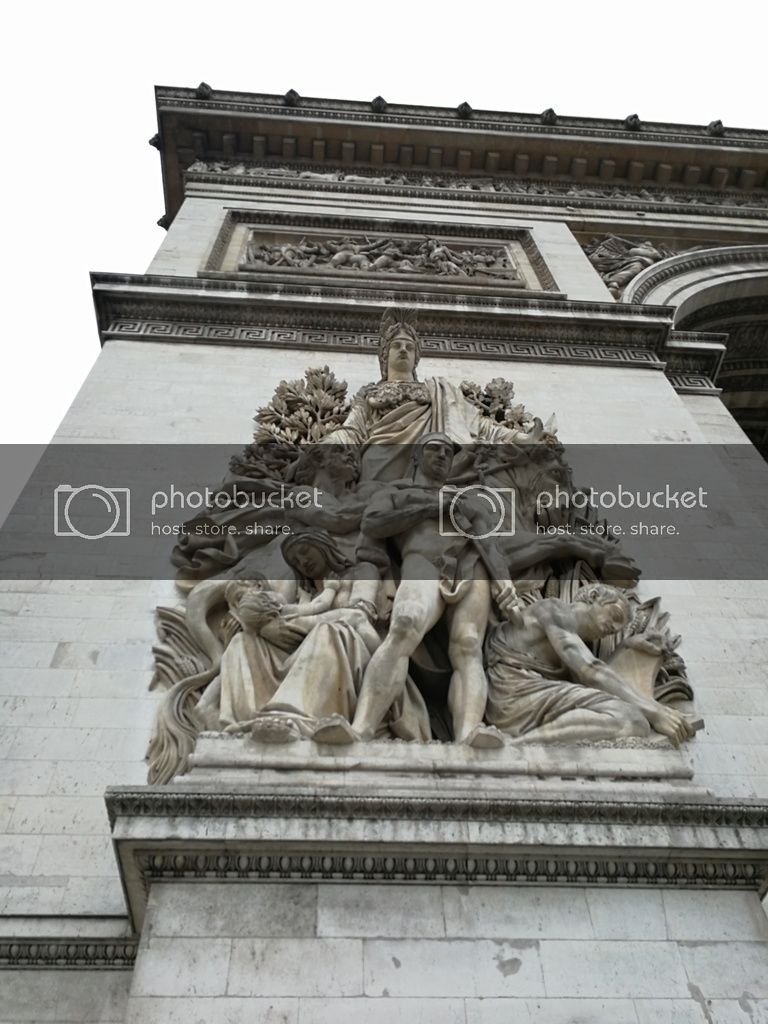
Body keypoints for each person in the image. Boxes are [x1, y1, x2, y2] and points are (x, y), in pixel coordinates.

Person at [313, 433, 521, 748]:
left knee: (467, 646)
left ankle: (469, 732)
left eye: (447, 453)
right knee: (405, 624)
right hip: (422, 562)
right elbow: (374, 524)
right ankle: (362, 728)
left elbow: (489, 544)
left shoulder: (467, 500)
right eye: (433, 449)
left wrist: (505, 587)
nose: (441, 456)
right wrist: (431, 506)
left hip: (470, 566)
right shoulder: (395, 492)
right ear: (416, 457)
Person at [322, 309, 544, 481]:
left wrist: (521, 438)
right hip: (379, 459)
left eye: (409, 347)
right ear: (384, 355)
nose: (403, 350)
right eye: (396, 346)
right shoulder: (369, 392)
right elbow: (353, 427)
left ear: (416, 357)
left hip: (433, 459)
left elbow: (478, 425)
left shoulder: (439, 390)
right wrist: (329, 442)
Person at [484, 583, 698, 744]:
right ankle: (519, 745)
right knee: (634, 718)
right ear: (594, 596)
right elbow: (591, 671)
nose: (612, 627)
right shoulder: (554, 609)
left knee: (631, 721)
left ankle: (524, 743)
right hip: (513, 697)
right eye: (614, 615)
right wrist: (655, 712)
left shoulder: (570, 642)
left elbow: (591, 680)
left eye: (616, 630)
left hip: (527, 701)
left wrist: (626, 647)